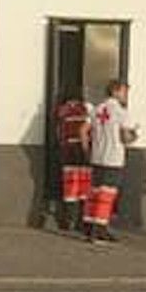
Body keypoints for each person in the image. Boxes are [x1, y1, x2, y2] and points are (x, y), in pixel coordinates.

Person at [84, 80, 139, 244]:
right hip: (113, 157)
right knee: (107, 194)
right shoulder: (121, 112)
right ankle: (100, 229)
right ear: (115, 91)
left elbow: (84, 130)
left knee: (94, 192)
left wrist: (88, 150)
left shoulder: (96, 109)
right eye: (124, 91)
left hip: (97, 156)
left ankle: (88, 225)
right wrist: (134, 135)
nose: (126, 95)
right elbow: (125, 137)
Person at [54, 88, 92, 232]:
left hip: (67, 152)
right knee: (84, 188)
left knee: (70, 188)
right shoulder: (86, 109)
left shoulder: (62, 110)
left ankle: (67, 220)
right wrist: (87, 151)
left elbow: (59, 132)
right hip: (81, 152)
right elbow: (87, 132)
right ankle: (81, 222)